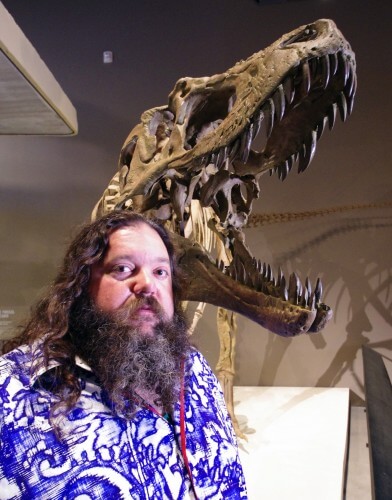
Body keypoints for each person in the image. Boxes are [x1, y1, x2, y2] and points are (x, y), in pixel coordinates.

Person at [0, 210, 247, 499]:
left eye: (160, 272)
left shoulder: (195, 368)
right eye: (123, 268)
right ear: (80, 284)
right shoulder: (12, 392)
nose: (147, 285)